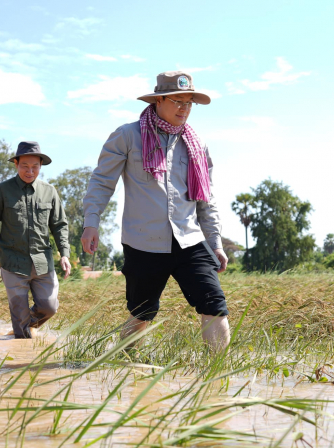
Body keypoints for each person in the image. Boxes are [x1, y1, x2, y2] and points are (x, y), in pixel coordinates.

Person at [81, 70, 230, 351]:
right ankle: (124, 364)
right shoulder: (127, 136)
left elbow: (206, 198)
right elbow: (101, 182)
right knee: (142, 312)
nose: (184, 108)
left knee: (214, 303)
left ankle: (217, 373)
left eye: (189, 103)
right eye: (177, 101)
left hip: (189, 238)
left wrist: (215, 242)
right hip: (143, 242)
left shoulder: (196, 145)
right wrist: (91, 222)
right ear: (158, 100)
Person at [0, 141, 71, 339]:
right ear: (16, 164)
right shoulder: (2, 190)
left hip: (42, 261)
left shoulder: (49, 191)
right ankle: (22, 345)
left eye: (35, 166)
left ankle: (25, 326)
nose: (30, 171)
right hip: (13, 262)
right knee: (20, 319)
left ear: (41, 166)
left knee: (49, 307)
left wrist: (64, 254)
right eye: (25, 166)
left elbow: (60, 225)